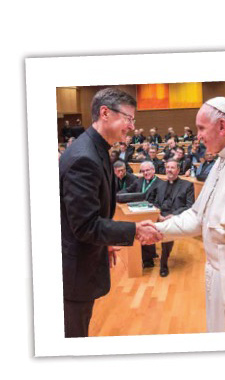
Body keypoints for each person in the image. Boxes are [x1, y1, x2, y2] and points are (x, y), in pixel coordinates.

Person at [145, 97, 225, 332]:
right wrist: (158, 230)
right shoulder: (223, 158)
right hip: (218, 273)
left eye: (200, 128)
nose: (197, 135)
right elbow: (199, 217)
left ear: (221, 126)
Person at [59, 88, 162, 337]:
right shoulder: (84, 158)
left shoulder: (98, 149)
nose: (131, 126)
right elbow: (85, 226)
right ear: (105, 113)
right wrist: (134, 229)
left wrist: (104, 241)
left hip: (84, 258)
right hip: (73, 273)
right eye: (128, 118)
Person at [150, 159, 195, 277]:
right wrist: (157, 214)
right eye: (167, 167)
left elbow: (189, 206)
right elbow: (153, 202)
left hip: (176, 215)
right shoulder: (159, 184)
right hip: (159, 214)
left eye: (172, 167)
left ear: (178, 170)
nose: (169, 170)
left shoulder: (187, 185)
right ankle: (147, 259)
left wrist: (174, 215)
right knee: (143, 225)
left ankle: (163, 263)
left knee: (166, 232)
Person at [119, 160, 165, 268]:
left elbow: (159, 202)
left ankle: (148, 260)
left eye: (148, 170)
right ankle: (146, 255)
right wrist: (117, 195)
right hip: (138, 212)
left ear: (153, 170)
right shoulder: (139, 181)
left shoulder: (161, 184)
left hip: (152, 213)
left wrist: (148, 209)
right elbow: (128, 190)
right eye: (143, 171)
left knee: (145, 228)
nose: (145, 173)